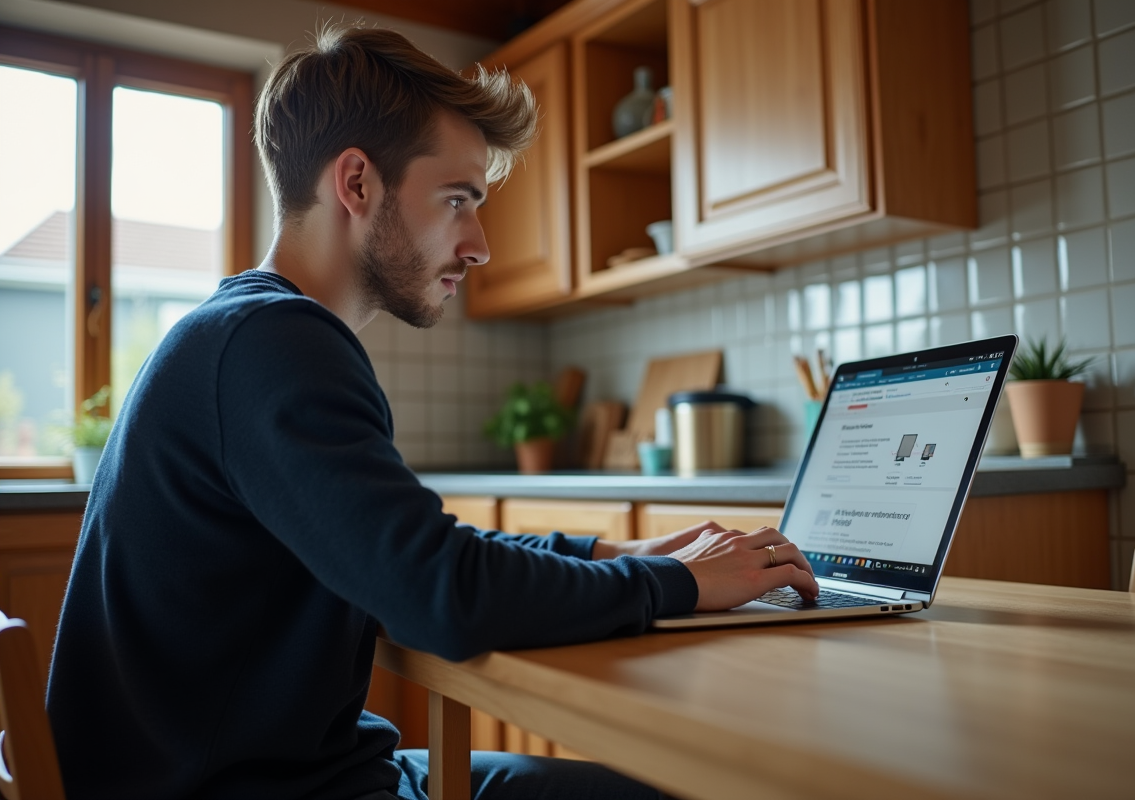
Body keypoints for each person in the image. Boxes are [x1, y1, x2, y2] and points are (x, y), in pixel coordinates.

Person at [46, 22, 817, 800]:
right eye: (458, 200)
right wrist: (676, 586)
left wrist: (613, 557)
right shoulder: (273, 344)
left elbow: (409, 553)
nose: (479, 244)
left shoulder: (249, 331)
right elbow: (440, 595)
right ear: (356, 184)